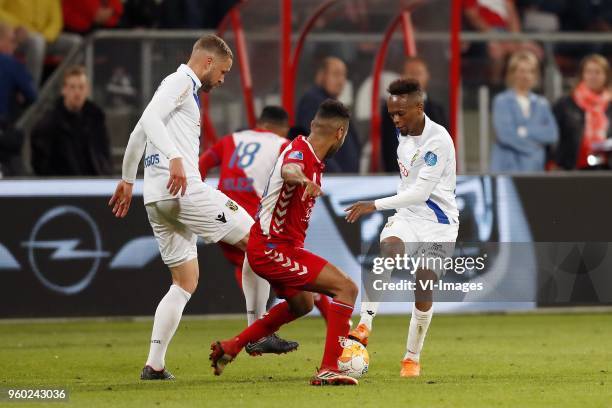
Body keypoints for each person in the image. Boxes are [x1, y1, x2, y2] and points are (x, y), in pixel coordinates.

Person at [108, 35, 295, 381]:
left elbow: (140, 131)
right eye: (223, 72)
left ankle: (155, 365)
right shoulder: (182, 81)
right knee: (258, 238)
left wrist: (128, 179)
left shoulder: (173, 88)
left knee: (184, 280)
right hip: (182, 189)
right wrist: (176, 158)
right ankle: (257, 333)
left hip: (156, 198)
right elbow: (148, 117)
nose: (223, 79)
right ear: (207, 63)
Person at [209, 100, 360, 386]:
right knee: (346, 288)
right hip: (271, 248)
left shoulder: (311, 155)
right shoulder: (299, 152)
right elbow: (289, 170)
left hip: (275, 247)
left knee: (302, 303)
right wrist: (303, 180)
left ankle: (231, 346)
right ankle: (328, 368)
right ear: (340, 133)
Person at [345, 79, 459, 378]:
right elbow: (411, 194)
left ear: (419, 108)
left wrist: (374, 204)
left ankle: (411, 358)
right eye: (391, 114)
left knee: (423, 281)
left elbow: (421, 193)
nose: (395, 120)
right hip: (408, 216)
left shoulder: (438, 141)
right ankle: (364, 325)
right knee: (389, 249)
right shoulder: (403, 132)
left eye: (401, 113)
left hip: (439, 225)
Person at [199, 106, 333, 327]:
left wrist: (201, 201)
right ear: (282, 128)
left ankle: (257, 323)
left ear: (260, 123)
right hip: (254, 223)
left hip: (221, 216)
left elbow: (201, 166)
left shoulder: (230, 140)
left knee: (244, 263)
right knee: (296, 274)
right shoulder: (283, 145)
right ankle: (263, 327)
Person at [31, 65, 111, 176]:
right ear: (64, 90)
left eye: (81, 87)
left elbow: (103, 155)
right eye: (72, 87)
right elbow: (41, 163)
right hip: (61, 187)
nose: (77, 92)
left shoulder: (96, 119)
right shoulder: (49, 123)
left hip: (94, 184)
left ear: (87, 90)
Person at [490, 50, 558, 172]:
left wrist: (525, 131)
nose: (526, 76)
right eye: (521, 71)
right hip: (507, 169)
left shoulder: (541, 103)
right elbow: (505, 135)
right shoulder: (502, 101)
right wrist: (534, 149)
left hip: (534, 169)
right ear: (512, 73)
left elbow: (551, 134)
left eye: (531, 71)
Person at [381, 57, 448, 173]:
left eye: (419, 73)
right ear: (401, 77)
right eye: (411, 73)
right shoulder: (390, 110)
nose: (415, 78)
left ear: (427, 76)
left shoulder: (438, 111)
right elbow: (389, 148)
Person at [296, 57, 360, 173]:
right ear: (321, 76)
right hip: (331, 182)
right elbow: (315, 144)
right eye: (336, 75)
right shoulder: (313, 101)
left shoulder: (334, 104)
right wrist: (334, 174)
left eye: (343, 75)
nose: (341, 81)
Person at [0, 0, 82, 86]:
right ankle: (31, 92)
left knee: (77, 42)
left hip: (44, 37)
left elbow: (56, 22)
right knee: (37, 42)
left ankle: (61, 90)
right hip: (16, 35)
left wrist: (46, 36)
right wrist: (16, 25)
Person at [554, 54, 612, 170]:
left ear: (606, 76)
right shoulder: (565, 104)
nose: (593, 76)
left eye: (598, 72)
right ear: (582, 75)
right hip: (572, 168)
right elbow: (555, 137)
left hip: (607, 168)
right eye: (589, 72)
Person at [463, 0, 543, 84]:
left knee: (535, 51)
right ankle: (495, 86)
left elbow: (512, 16)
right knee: (496, 51)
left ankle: (532, 89)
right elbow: (472, 16)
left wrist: (515, 39)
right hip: (484, 33)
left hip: (506, 33)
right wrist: (496, 37)